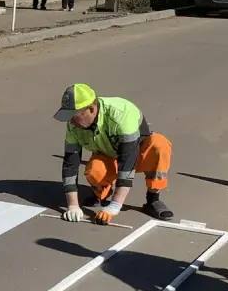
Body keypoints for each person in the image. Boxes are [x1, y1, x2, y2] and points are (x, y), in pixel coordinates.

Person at [55, 83, 174, 223]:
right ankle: (100, 194)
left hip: (137, 153)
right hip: (108, 154)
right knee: (95, 170)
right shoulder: (73, 126)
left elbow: (127, 164)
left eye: (74, 116)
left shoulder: (121, 114)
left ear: (91, 109)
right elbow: (70, 164)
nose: (71, 122)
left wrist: (115, 206)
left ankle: (153, 200)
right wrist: (73, 205)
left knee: (159, 145)